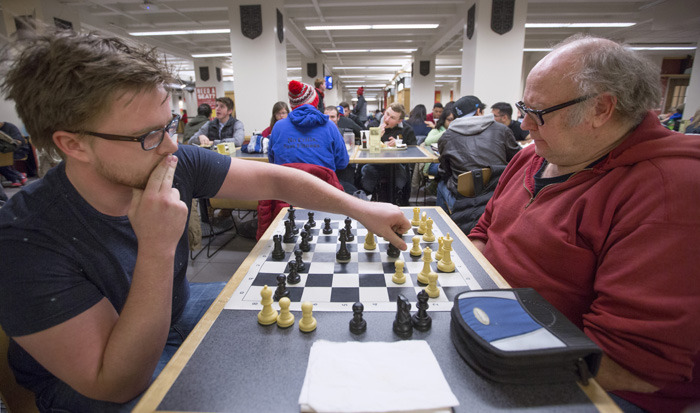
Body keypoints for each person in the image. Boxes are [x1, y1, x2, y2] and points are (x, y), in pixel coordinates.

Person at [0, 28, 410, 412]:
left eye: (171, 125)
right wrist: (157, 247)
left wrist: (362, 209)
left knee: (303, 340)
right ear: (73, 145)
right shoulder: (25, 239)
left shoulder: (168, 160)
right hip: (93, 379)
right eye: (148, 135)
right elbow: (116, 382)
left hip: (176, 309)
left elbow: (273, 177)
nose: (171, 145)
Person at [469, 35, 700, 413]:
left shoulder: (668, 190)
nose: (524, 124)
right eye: (523, 107)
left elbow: (633, 366)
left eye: (539, 112)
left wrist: (477, 342)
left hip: (593, 387)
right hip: (499, 328)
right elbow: (484, 232)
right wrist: (461, 290)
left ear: (601, 109)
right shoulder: (534, 156)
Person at [437, 95, 520, 213]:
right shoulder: (502, 130)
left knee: (441, 185)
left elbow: (445, 171)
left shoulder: (446, 137)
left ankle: (446, 224)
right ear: (478, 111)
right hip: (497, 196)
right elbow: (518, 159)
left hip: (463, 199)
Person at [360, 102, 416, 204]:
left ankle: (398, 200)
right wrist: (376, 136)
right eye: (387, 114)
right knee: (367, 171)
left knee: (401, 176)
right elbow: (363, 148)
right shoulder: (373, 126)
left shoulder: (407, 130)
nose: (386, 119)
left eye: (392, 118)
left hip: (397, 165)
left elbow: (413, 151)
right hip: (375, 163)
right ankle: (369, 198)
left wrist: (399, 144)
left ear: (399, 120)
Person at [0, 121, 31, 186]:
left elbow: (19, 142)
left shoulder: (10, 127)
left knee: (2, 161)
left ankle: (17, 176)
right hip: (5, 152)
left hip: (19, 150)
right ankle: (18, 176)